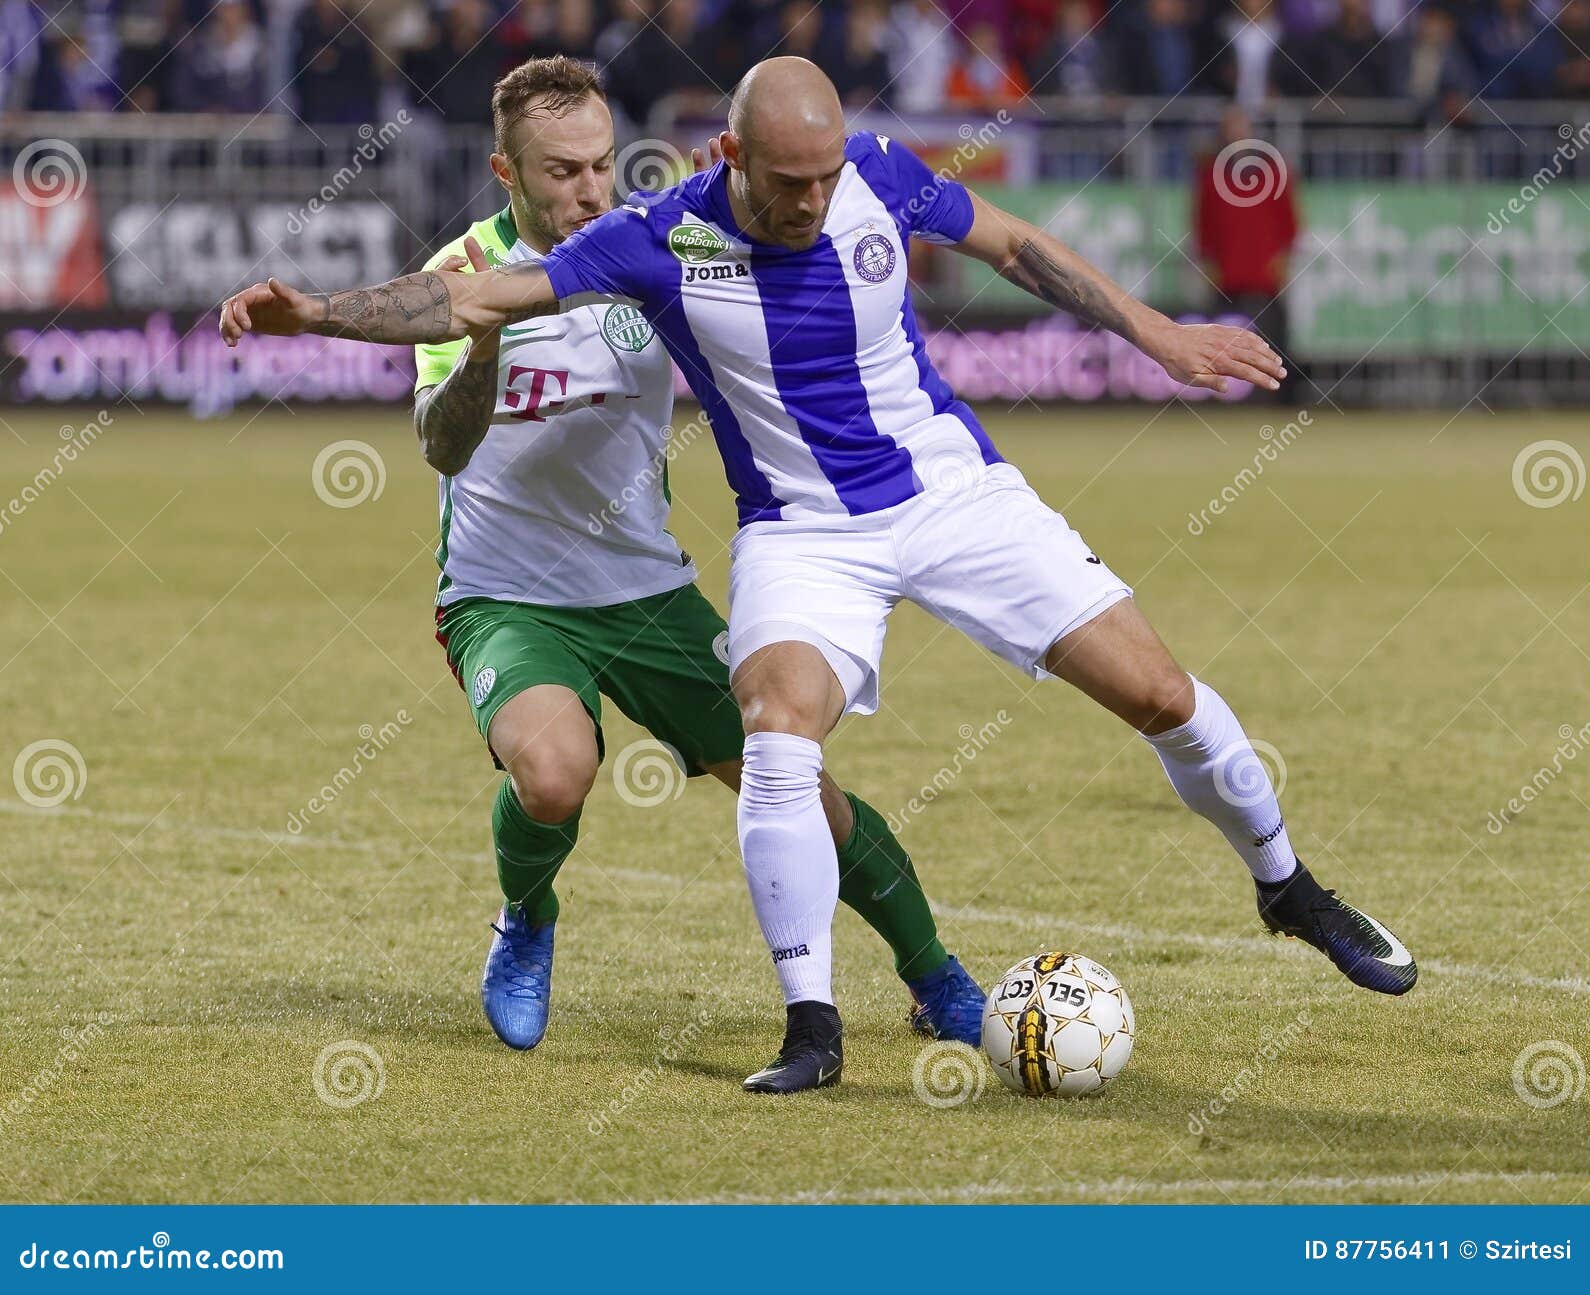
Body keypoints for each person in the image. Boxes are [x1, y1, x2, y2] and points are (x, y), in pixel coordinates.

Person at [219, 57, 1419, 1096]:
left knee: (1159, 694)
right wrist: (316, 312)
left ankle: (1287, 886)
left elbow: (1009, 242)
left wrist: (1154, 332)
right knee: (774, 737)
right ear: (727, 153)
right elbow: (466, 294)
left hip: (951, 495)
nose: (812, 200)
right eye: (787, 181)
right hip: (793, 532)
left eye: (825, 175)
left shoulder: (879, 174)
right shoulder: (657, 239)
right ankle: (811, 1024)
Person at [337, 54, 984, 1059]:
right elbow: (440, 445)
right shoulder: (462, 275)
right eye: (559, 172)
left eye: (599, 163)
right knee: (555, 773)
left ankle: (934, 973)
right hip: (506, 595)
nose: (588, 187)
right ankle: (527, 917)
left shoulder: (666, 245)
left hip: (647, 589)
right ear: (507, 173)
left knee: (795, 780)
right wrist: (480, 347)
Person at [1193, 106, 1299, 400]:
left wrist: (1283, 261)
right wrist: (1207, 262)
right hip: (1226, 273)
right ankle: (1223, 395)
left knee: (1273, 338)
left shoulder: (1273, 172)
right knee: (1221, 339)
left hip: (1264, 273)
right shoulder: (1211, 175)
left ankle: (1278, 395)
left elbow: (1287, 222)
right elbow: (1204, 223)